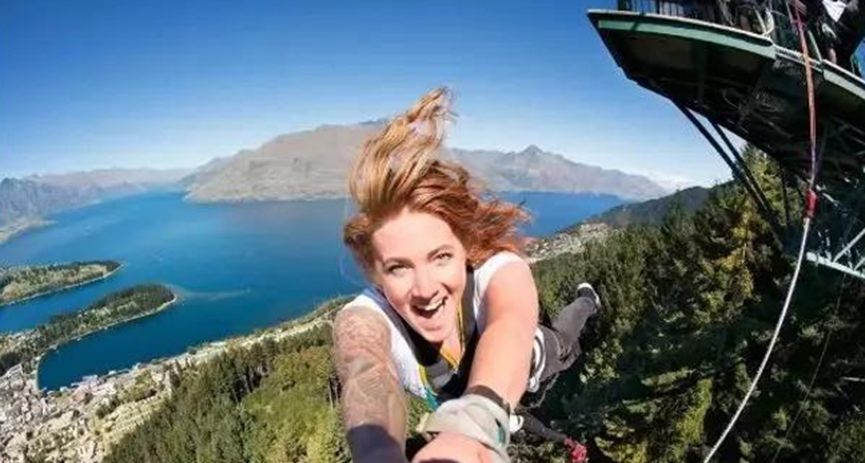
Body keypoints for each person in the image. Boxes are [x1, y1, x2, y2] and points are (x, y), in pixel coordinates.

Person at [333, 87, 601, 463]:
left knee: (565, 337)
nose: (425, 289)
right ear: (374, 273)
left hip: (535, 362)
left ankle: (588, 300)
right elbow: (364, 369)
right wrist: (377, 453)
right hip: (482, 410)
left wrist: (474, 425)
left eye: (440, 257)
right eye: (398, 267)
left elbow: (509, 323)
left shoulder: (499, 270)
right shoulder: (368, 318)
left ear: (465, 248)